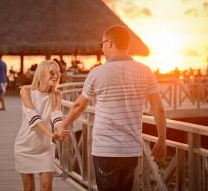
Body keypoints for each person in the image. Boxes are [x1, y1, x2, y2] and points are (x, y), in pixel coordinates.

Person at [57, 26, 167, 191]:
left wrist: (63, 125)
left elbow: (79, 105)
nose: (101, 48)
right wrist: (162, 139)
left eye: (102, 43)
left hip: (105, 149)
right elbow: (159, 109)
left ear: (110, 43)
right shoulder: (145, 71)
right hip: (131, 149)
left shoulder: (97, 73)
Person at [14, 60, 69, 191]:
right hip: (25, 146)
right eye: (52, 72)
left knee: (47, 186)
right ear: (41, 73)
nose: (56, 76)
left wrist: (60, 129)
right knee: (29, 188)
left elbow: (56, 116)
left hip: (45, 147)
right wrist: (52, 134)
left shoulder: (57, 95)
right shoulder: (26, 91)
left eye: (58, 73)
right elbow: (34, 118)